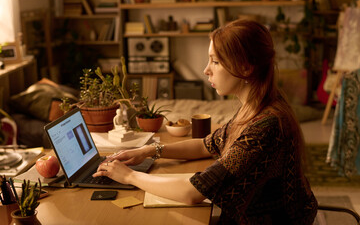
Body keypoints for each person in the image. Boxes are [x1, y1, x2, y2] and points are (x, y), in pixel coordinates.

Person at [93, 19, 318, 224]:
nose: (206, 70)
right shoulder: (253, 106)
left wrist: (129, 175)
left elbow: (193, 192)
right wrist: (149, 150)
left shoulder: (266, 126)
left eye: (216, 62)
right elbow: (206, 144)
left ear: (246, 68)